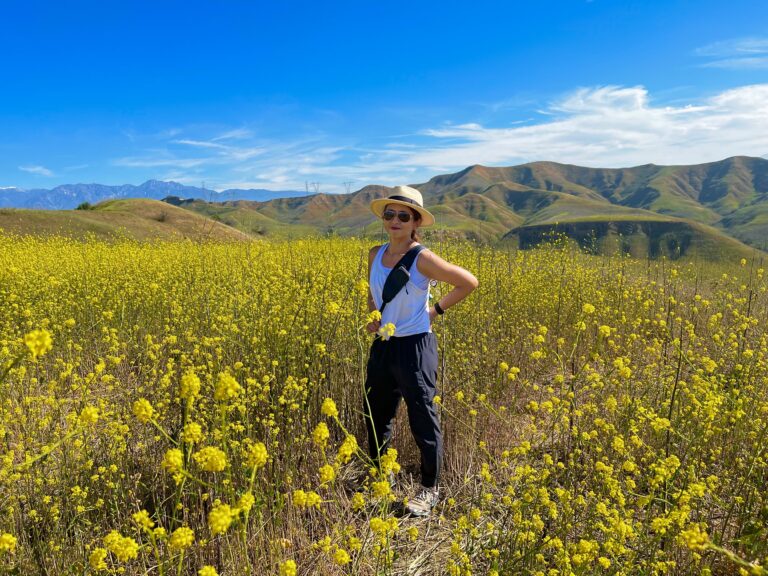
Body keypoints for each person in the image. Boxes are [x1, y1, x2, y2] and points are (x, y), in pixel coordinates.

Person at [364, 185, 479, 516]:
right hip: (383, 345)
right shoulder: (375, 253)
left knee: (423, 419)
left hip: (415, 346)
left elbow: (468, 282)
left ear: (415, 222)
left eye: (404, 215)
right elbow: (374, 293)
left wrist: (435, 311)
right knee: (377, 415)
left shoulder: (423, 258)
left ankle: (430, 489)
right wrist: (374, 315)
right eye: (390, 214)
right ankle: (380, 478)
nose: (395, 220)